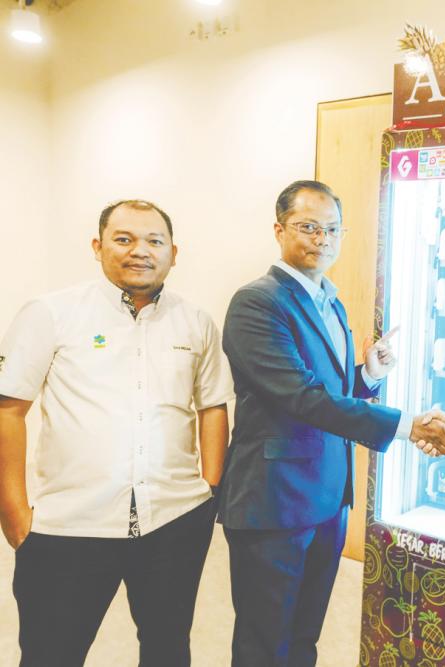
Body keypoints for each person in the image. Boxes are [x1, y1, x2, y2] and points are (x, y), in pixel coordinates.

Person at [217, 180, 445, 666]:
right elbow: (301, 396)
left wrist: (368, 374)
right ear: (280, 230)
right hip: (275, 501)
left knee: (305, 635)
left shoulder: (330, 299)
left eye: (332, 229)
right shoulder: (257, 302)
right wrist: (407, 425)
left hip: (327, 498)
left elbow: (329, 392)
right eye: (308, 227)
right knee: (264, 642)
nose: (322, 239)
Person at [0, 199, 233, 667]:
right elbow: (9, 411)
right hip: (69, 525)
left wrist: (208, 491)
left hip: (173, 521)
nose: (139, 251)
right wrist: (15, 516)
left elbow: (212, 406)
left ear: (174, 252)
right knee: (51, 654)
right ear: (98, 245)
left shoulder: (195, 321)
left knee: (167, 650)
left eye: (154, 240)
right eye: (123, 239)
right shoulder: (50, 313)